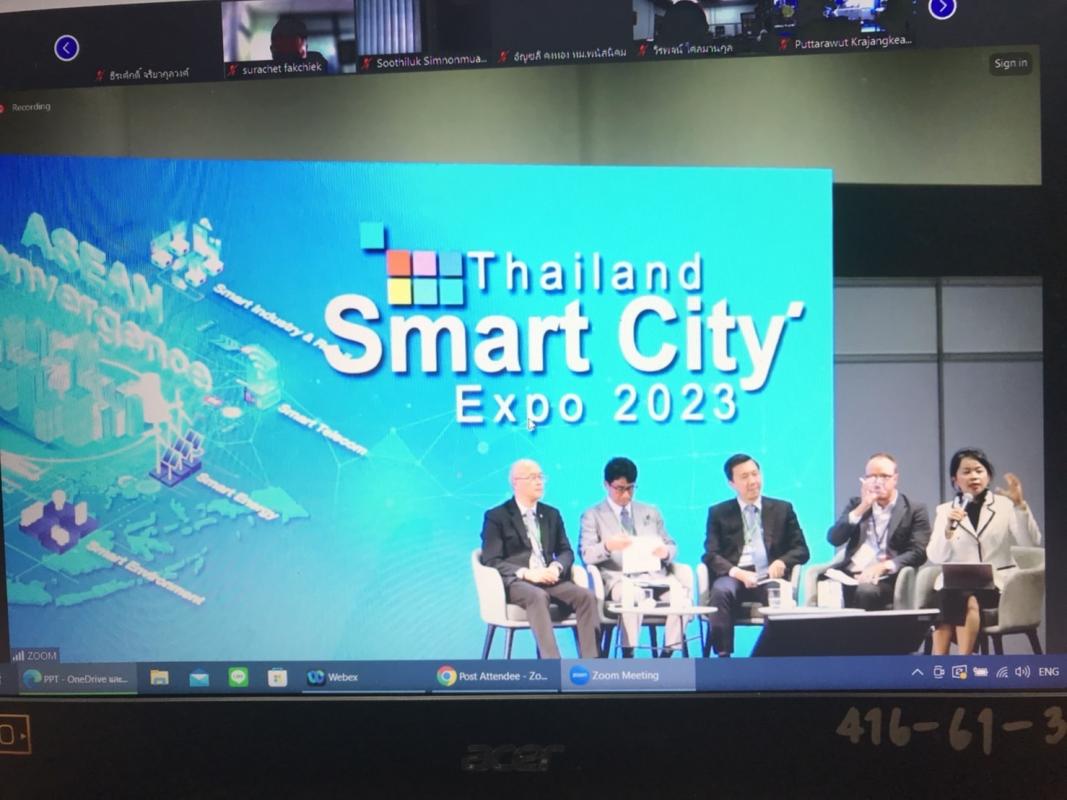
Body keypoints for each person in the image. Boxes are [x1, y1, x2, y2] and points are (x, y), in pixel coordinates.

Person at [926, 447, 1042, 656]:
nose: (974, 476)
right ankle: (944, 665)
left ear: (988, 476)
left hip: (997, 585)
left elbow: (1031, 542)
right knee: (955, 595)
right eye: (966, 472)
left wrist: (1020, 507)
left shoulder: (1005, 506)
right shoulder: (945, 511)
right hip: (957, 586)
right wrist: (948, 529)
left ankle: (959, 664)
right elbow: (935, 556)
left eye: (979, 471)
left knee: (964, 598)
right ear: (955, 480)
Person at [480, 459, 600, 659]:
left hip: (549, 578)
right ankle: (551, 665)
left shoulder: (551, 514)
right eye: (532, 477)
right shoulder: (497, 516)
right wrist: (527, 573)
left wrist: (556, 567)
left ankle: (593, 665)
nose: (539, 482)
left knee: (586, 597)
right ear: (516, 482)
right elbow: (492, 560)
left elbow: (566, 551)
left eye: (541, 477)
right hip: (518, 582)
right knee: (537, 596)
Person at [703, 454, 810, 657]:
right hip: (735, 575)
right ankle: (723, 656)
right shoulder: (719, 512)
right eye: (744, 477)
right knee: (721, 591)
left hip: (769, 575)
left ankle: (772, 656)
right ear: (731, 483)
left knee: (776, 593)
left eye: (755, 474)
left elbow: (801, 550)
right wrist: (738, 573)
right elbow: (711, 554)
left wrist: (782, 561)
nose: (752, 481)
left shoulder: (782, 509)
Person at [579, 457, 686, 658]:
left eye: (631, 488)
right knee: (633, 596)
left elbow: (671, 545)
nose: (626, 494)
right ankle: (629, 654)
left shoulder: (650, 511)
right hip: (619, 580)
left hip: (655, 578)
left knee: (682, 598)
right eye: (620, 489)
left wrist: (665, 552)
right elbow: (586, 554)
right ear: (606, 485)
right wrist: (608, 546)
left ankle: (667, 654)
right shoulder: (592, 515)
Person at [825, 452, 930, 610]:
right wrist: (862, 507)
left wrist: (885, 566)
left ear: (895, 479)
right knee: (825, 586)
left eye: (884, 476)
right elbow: (834, 539)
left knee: (866, 591)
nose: (877, 482)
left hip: (885, 578)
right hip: (851, 575)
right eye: (872, 477)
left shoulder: (914, 510)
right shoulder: (857, 505)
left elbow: (919, 552)